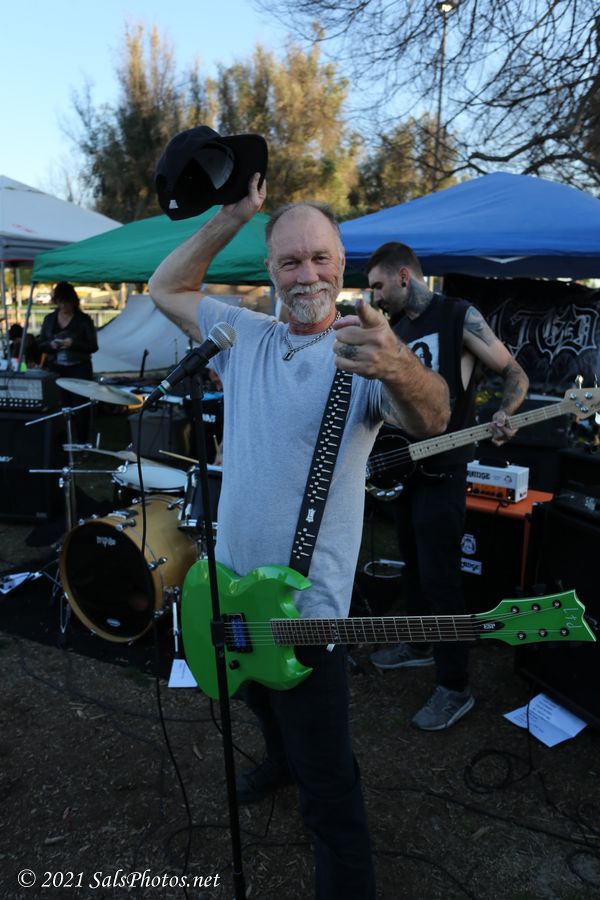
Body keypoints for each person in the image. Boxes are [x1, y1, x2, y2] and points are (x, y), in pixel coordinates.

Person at [148, 174, 450, 899]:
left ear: (343, 265)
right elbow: (165, 287)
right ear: (270, 271)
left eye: (320, 258)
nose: (306, 274)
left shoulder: (365, 351)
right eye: (290, 261)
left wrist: (400, 365)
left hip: (305, 617)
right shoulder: (241, 336)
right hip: (230, 592)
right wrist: (233, 215)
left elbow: (436, 417)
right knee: (257, 702)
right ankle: (277, 761)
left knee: (330, 789)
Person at [367, 242, 529, 731]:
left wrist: (506, 411)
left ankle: (455, 686)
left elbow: (515, 373)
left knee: (442, 579)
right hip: (406, 471)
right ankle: (420, 644)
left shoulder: (458, 315)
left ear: (403, 275)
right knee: (413, 566)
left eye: (378, 286)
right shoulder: (396, 330)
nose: (374, 297)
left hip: (445, 470)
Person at [37, 282, 98, 442]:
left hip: (79, 368)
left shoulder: (84, 320)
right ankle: (60, 442)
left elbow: (93, 346)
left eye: (67, 302)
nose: (64, 306)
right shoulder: (49, 319)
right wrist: (51, 345)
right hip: (56, 368)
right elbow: (41, 344)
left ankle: (82, 442)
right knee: (59, 405)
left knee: (80, 406)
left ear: (73, 301)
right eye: (60, 302)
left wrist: (73, 344)